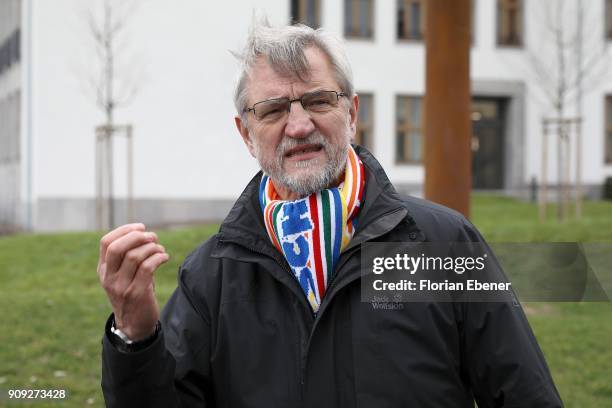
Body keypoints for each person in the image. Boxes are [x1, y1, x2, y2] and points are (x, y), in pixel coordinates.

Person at [99, 22, 563, 407]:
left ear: (352, 111)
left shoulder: (443, 243)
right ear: (246, 133)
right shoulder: (213, 276)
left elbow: (524, 393)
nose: (299, 126)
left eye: (319, 100)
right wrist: (136, 336)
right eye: (274, 109)